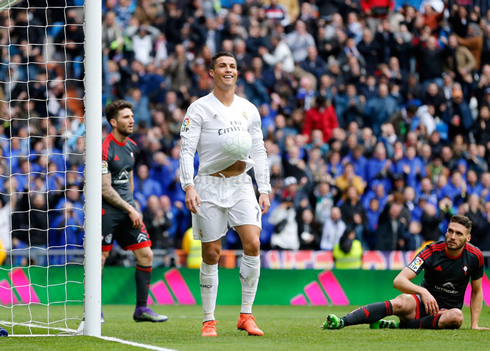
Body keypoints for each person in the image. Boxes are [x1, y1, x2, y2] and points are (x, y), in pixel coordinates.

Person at [179, 51, 271, 337]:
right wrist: (188, 185)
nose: (228, 70)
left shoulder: (248, 109)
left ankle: (246, 314)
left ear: (237, 72)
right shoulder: (198, 108)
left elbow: (259, 150)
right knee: (211, 253)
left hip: (241, 184)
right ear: (212, 72)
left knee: (253, 242)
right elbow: (186, 151)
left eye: (232, 66)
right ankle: (209, 320)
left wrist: (264, 187)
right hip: (208, 184)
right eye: (222, 66)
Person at [322, 215, 489, 330]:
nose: (452, 236)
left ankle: (396, 326)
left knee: (457, 317)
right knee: (400, 301)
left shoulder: (475, 257)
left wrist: (474, 324)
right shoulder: (431, 251)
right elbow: (399, 281)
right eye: (450, 231)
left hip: (446, 313)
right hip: (420, 305)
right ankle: (342, 322)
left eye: (458, 233)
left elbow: (476, 291)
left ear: (468, 239)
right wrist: (423, 291)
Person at [102, 100, 167, 323]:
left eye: (132, 116)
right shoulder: (104, 148)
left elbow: (128, 178)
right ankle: (93, 309)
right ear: (113, 122)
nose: (132, 120)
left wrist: (132, 206)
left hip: (128, 210)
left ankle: (141, 309)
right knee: (99, 259)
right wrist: (130, 206)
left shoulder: (131, 146)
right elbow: (104, 188)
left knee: (146, 254)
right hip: (106, 211)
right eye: (126, 117)